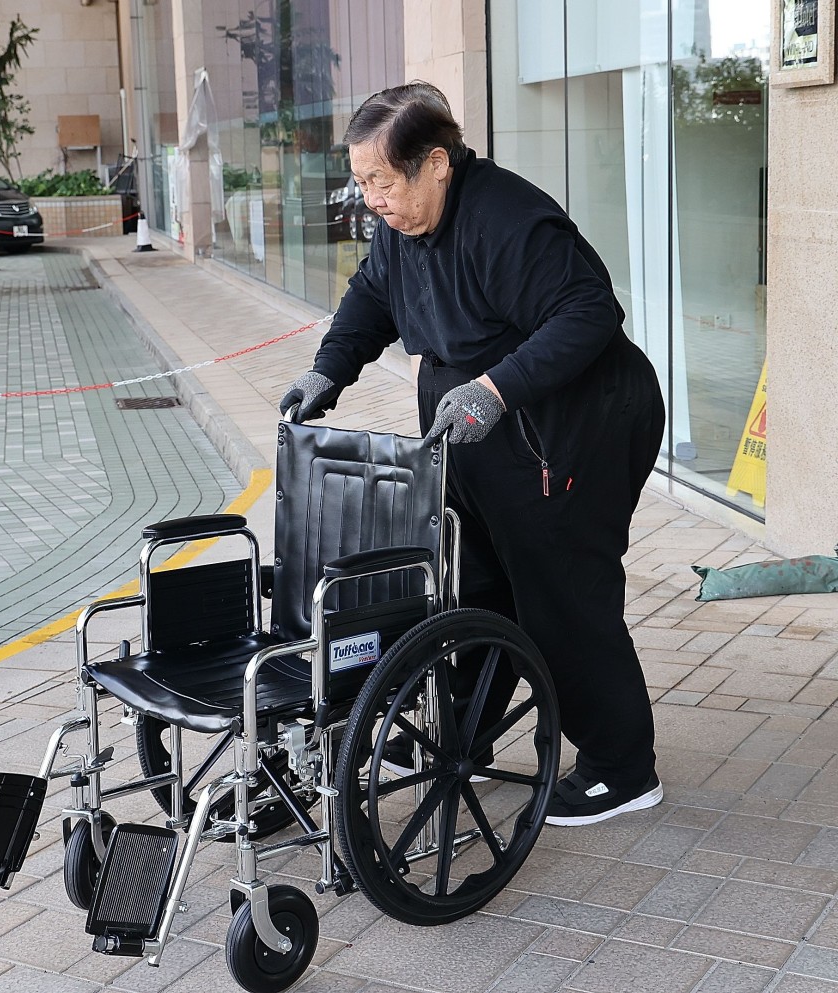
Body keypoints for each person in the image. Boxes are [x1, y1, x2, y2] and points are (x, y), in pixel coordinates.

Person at [279, 82, 666, 827]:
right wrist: (329, 367)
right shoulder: (400, 227)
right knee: (476, 582)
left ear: (436, 165)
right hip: (478, 425)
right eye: (362, 185)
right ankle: (467, 733)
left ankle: (623, 767)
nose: (372, 202)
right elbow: (371, 295)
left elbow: (591, 311)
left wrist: (494, 388)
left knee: (560, 590)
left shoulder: (507, 218)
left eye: (381, 183)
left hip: (569, 420)